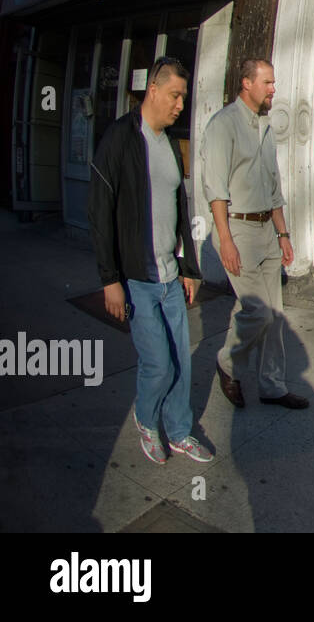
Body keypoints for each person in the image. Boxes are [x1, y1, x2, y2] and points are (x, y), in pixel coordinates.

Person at [87, 56, 214, 464]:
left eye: (184, 97)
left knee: (181, 364)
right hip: (137, 280)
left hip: (170, 276)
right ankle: (146, 419)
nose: (180, 105)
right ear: (153, 91)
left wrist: (191, 269)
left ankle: (179, 432)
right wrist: (109, 279)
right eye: (175, 96)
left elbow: (180, 206)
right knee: (158, 364)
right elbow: (99, 210)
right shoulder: (120, 138)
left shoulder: (171, 145)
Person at [201, 58, 307, 409]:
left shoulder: (264, 126)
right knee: (257, 312)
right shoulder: (223, 125)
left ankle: (272, 386)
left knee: (274, 315)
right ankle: (227, 363)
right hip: (238, 230)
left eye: (274, 83)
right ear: (246, 83)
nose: (273, 89)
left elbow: (272, 186)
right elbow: (215, 190)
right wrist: (226, 239)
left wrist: (284, 233)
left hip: (266, 230)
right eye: (268, 83)